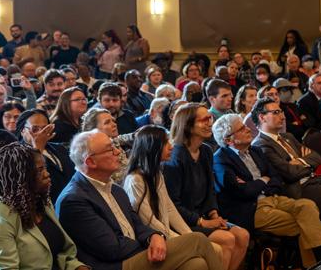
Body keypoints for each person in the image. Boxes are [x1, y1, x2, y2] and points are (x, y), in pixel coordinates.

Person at [56, 130, 222, 270]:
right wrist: (148, 244)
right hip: (115, 264)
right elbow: (111, 248)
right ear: (91, 161)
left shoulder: (114, 189)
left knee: (196, 264)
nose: (118, 152)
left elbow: (137, 224)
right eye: (110, 149)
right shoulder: (74, 199)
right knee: (197, 240)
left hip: (131, 252)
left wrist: (153, 236)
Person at [211, 115, 321, 267]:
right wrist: (263, 180)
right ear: (228, 140)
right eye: (241, 128)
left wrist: (257, 184)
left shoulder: (255, 151)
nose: (248, 129)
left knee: (307, 206)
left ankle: (318, 264)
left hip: (273, 198)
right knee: (307, 224)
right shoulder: (220, 160)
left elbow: (276, 178)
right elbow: (241, 192)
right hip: (251, 209)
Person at [250, 98, 321, 223]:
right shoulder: (261, 144)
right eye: (276, 112)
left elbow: (316, 157)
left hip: (312, 178)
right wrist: (307, 163)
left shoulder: (287, 136)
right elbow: (290, 173)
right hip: (297, 188)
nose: (283, 117)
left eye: (281, 112)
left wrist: (299, 161)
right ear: (262, 117)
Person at [163, 104, 249, 270]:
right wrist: (202, 222)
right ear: (188, 125)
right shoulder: (175, 156)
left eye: (210, 118)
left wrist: (214, 214)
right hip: (184, 222)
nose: (210, 123)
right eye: (204, 120)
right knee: (227, 239)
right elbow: (172, 204)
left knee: (242, 235)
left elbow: (210, 189)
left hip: (203, 216)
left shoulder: (206, 151)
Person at [123, 126, 221, 260]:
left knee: (216, 249)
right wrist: (180, 238)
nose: (171, 147)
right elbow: (148, 221)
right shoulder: (135, 180)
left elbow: (169, 209)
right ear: (152, 147)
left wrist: (188, 235)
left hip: (165, 234)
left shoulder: (157, 174)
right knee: (213, 251)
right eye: (165, 143)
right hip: (153, 241)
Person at [0, 143, 88, 270]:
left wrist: (77, 267)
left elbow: (62, 254)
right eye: (39, 170)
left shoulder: (42, 201)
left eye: (45, 168)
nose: (47, 174)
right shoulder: (3, 217)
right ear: (20, 176)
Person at [17, 109, 75, 200]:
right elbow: (29, 183)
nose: (41, 133)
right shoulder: (17, 154)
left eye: (45, 128)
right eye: (35, 129)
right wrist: (38, 148)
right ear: (22, 131)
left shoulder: (59, 148)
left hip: (71, 199)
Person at [80, 108, 129, 183]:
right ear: (94, 130)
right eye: (107, 122)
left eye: (113, 121)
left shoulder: (113, 141)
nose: (114, 124)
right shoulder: (94, 152)